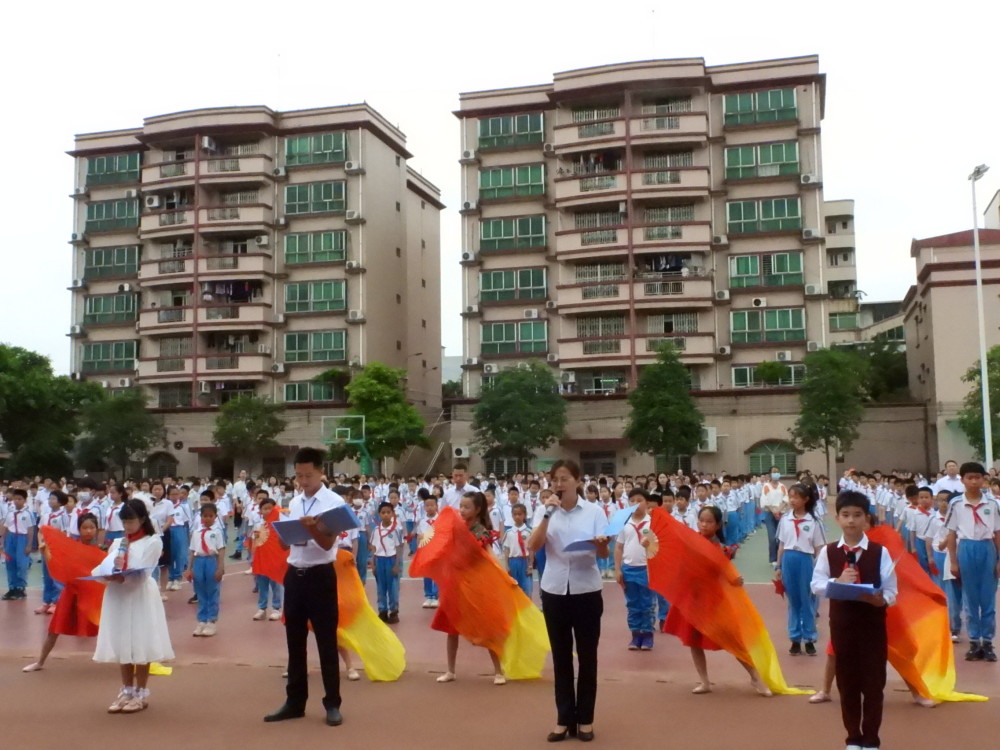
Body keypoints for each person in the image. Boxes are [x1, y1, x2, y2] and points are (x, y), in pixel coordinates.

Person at [528, 459, 608, 743]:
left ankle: (585, 719)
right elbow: (533, 546)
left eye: (564, 479)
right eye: (555, 480)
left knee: (587, 658)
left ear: (577, 480)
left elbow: (603, 555)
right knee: (561, 658)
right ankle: (563, 719)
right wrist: (548, 514)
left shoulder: (595, 511)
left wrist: (600, 544)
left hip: (586, 590)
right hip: (554, 590)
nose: (559, 485)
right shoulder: (544, 509)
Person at [810, 491, 898, 749]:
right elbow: (816, 584)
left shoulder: (879, 552)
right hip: (843, 624)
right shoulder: (828, 552)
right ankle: (853, 738)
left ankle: (871, 738)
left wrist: (881, 599)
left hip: (872, 624)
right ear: (836, 518)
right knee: (847, 682)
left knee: (873, 683)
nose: (851, 521)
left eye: (857, 515)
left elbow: (892, 590)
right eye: (846, 515)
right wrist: (835, 583)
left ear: (866, 519)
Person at [264, 447, 345, 727]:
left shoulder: (333, 502)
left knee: (326, 641)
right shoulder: (295, 501)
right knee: (294, 642)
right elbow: (285, 542)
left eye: (308, 475)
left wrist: (311, 529)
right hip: (294, 574)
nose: (303, 480)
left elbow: (326, 544)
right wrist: (285, 538)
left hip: (321, 576)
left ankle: (332, 703)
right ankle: (294, 702)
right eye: (298, 475)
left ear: (322, 472)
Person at [662, 505, 772, 697]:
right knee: (693, 639)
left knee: (731, 637)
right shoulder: (690, 541)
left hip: (714, 600)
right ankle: (704, 681)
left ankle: (755, 677)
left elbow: (726, 572)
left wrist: (735, 579)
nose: (704, 525)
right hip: (692, 597)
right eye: (701, 520)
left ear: (718, 525)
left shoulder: (720, 548)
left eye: (709, 521)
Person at [92, 499, 174, 713]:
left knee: (140, 640)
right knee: (123, 641)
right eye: (125, 521)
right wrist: (107, 575)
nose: (128, 526)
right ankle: (126, 689)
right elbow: (107, 565)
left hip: (138, 595)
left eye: (131, 521)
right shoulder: (118, 542)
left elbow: (144, 571)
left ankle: (140, 693)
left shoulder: (153, 541)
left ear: (143, 519)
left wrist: (123, 578)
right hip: (118, 596)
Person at [435, 490, 506, 685]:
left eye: (467, 507)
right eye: (461, 506)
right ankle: (450, 670)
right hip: (455, 583)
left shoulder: (481, 531)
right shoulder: (456, 527)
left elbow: (487, 556)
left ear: (477, 510)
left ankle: (498, 671)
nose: (463, 510)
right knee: (451, 628)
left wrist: (501, 573)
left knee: (487, 627)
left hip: (475, 585)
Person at [23, 513, 103, 671]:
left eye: (92, 527)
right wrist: (45, 551)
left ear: (97, 529)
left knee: (108, 627)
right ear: (79, 529)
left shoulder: (103, 550)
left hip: (94, 595)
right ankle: (40, 662)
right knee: (54, 629)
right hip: (71, 592)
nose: (88, 531)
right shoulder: (70, 548)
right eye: (84, 527)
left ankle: (131, 661)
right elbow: (56, 563)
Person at [944, 461, 1000, 662]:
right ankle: (975, 641)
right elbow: (951, 534)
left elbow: (997, 533)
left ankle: (988, 642)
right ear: (963, 480)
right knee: (970, 597)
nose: (974, 481)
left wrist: (999, 559)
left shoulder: (992, 504)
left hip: (987, 548)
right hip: (966, 548)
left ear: (984, 479)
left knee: (988, 598)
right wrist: (953, 561)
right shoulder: (956, 504)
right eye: (970, 477)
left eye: (978, 477)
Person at [775, 483, 826, 656]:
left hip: (805, 560)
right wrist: (778, 565)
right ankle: (795, 638)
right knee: (793, 601)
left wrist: (819, 567)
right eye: (790, 497)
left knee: (807, 600)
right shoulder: (785, 519)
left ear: (806, 500)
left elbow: (819, 547)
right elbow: (782, 544)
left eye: (796, 497)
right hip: (789, 558)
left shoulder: (813, 522)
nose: (792, 500)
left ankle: (809, 638)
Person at [614, 488, 656, 651]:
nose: (636, 504)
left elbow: (660, 547)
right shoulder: (625, 524)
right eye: (632, 501)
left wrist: (650, 544)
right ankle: (635, 635)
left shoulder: (653, 523)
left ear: (647, 503)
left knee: (647, 604)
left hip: (647, 569)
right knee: (632, 604)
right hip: (629, 569)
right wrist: (618, 569)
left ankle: (647, 635)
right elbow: (618, 547)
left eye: (640, 500)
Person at [184, 502, 225, 636]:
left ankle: (211, 621)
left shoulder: (217, 532)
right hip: (199, 561)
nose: (207, 518)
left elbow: (221, 550)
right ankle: (201, 620)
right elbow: (192, 551)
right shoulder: (196, 532)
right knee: (200, 591)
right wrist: (189, 568)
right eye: (204, 516)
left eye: (210, 516)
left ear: (215, 517)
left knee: (212, 590)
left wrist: (220, 568)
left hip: (211, 560)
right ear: (201, 517)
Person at [370, 501, 404, 623]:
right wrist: (373, 565)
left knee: (393, 587)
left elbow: (399, 548)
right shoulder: (375, 530)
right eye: (383, 513)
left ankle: (394, 611)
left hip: (391, 560)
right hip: (379, 561)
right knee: (380, 587)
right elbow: (373, 548)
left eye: (388, 512)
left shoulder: (396, 530)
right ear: (379, 515)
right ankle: (382, 611)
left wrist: (397, 564)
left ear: (393, 514)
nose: (385, 515)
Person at [251, 496, 284, 621]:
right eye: (264, 508)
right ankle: (262, 608)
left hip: (274, 558)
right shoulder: (259, 524)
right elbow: (254, 540)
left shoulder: (279, 524)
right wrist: (255, 537)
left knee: (275, 583)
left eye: (270, 508)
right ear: (260, 511)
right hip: (261, 558)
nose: (267, 511)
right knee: (262, 583)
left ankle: (276, 608)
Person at [2, 488, 35, 600]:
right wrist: (2, 542)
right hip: (11, 538)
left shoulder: (28, 513)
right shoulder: (10, 513)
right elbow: (5, 528)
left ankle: (21, 588)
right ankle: (12, 588)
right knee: (10, 563)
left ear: (24, 500)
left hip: (22, 538)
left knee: (22, 564)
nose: (17, 501)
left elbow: (30, 530)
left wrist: (29, 545)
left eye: (19, 499)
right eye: (15, 499)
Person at [503, 502, 533, 598]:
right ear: (511, 515)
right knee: (514, 590)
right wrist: (507, 566)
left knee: (527, 589)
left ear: (524, 515)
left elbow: (531, 549)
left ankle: (529, 612)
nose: (517, 516)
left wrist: (530, 565)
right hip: (513, 562)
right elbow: (506, 550)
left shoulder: (529, 532)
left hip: (524, 561)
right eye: (515, 514)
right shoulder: (509, 532)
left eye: (520, 514)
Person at [760, 467, 788, 568]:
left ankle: (781, 557)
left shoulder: (782, 486)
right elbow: (764, 501)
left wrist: (779, 510)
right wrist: (774, 510)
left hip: (781, 513)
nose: (776, 474)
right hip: (770, 513)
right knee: (772, 537)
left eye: (777, 472)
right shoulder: (766, 486)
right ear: (770, 474)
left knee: (781, 537)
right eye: (774, 472)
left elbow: (786, 500)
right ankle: (773, 558)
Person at [417, 494, 440, 608]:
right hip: (426, 550)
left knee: (436, 573)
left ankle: (436, 596)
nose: (430, 507)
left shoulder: (440, 519)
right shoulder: (422, 521)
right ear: (424, 507)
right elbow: (419, 536)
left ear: (436, 506)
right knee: (426, 573)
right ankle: (428, 596)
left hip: (437, 550)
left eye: (432, 505)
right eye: (427, 505)